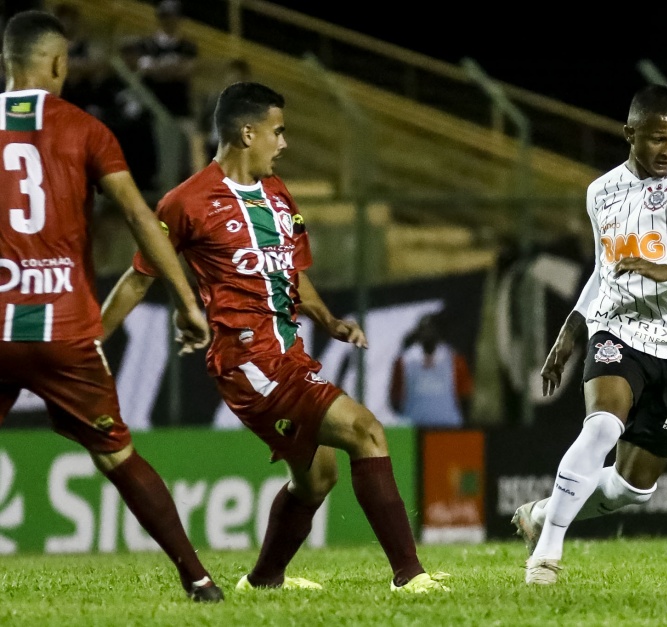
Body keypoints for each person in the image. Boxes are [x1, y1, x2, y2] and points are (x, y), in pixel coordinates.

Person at [99, 81, 450, 593]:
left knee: (318, 478)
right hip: (246, 361)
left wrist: (328, 320)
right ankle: (408, 576)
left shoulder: (278, 194)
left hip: (288, 352)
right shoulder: (187, 201)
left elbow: (292, 272)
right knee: (367, 432)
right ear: (247, 133)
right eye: (277, 132)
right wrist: (93, 340)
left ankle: (263, 581)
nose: (283, 144)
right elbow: (137, 277)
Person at [0, 10, 222, 602]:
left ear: (6, 62)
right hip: (65, 327)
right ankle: (198, 579)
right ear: (57, 63)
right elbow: (139, 219)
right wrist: (186, 299)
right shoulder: (86, 129)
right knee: (117, 454)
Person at [511, 84, 667, 585]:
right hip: (616, 329)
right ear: (630, 134)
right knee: (601, 427)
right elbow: (604, 271)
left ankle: (541, 514)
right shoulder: (602, 192)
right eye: (657, 138)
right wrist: (572, 328)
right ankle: (545, 556)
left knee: (631, 490)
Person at [134, 0, 198, 179]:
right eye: (165, 16)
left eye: (173, 16)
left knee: (192, 152)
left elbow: (186, 71)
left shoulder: (187, 46)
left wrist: (159, 69)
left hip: (181, 110)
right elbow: (146, 70)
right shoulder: (146, 44)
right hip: (154, 109)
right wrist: (172, 68)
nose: (169, 21)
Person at [389, 313, 474, 427]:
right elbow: (395, 399)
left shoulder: (455, 360)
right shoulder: (405, 361)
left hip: (449, 429)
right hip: (413, 430)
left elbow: (465, 397)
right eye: (424, 330)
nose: (428, 334)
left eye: (431, 329)